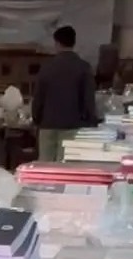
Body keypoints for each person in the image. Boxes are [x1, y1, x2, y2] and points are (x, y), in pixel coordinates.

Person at [33, 26, 98, 162]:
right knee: (66, 165)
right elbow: (88, 99)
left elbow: (38, 97)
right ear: (74, 42)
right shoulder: (83, 67)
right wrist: (91, 121)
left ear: (56, 43)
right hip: (73, 125)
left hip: (48, 124)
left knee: (45, 165)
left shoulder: (47, 67)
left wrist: (37, 119)